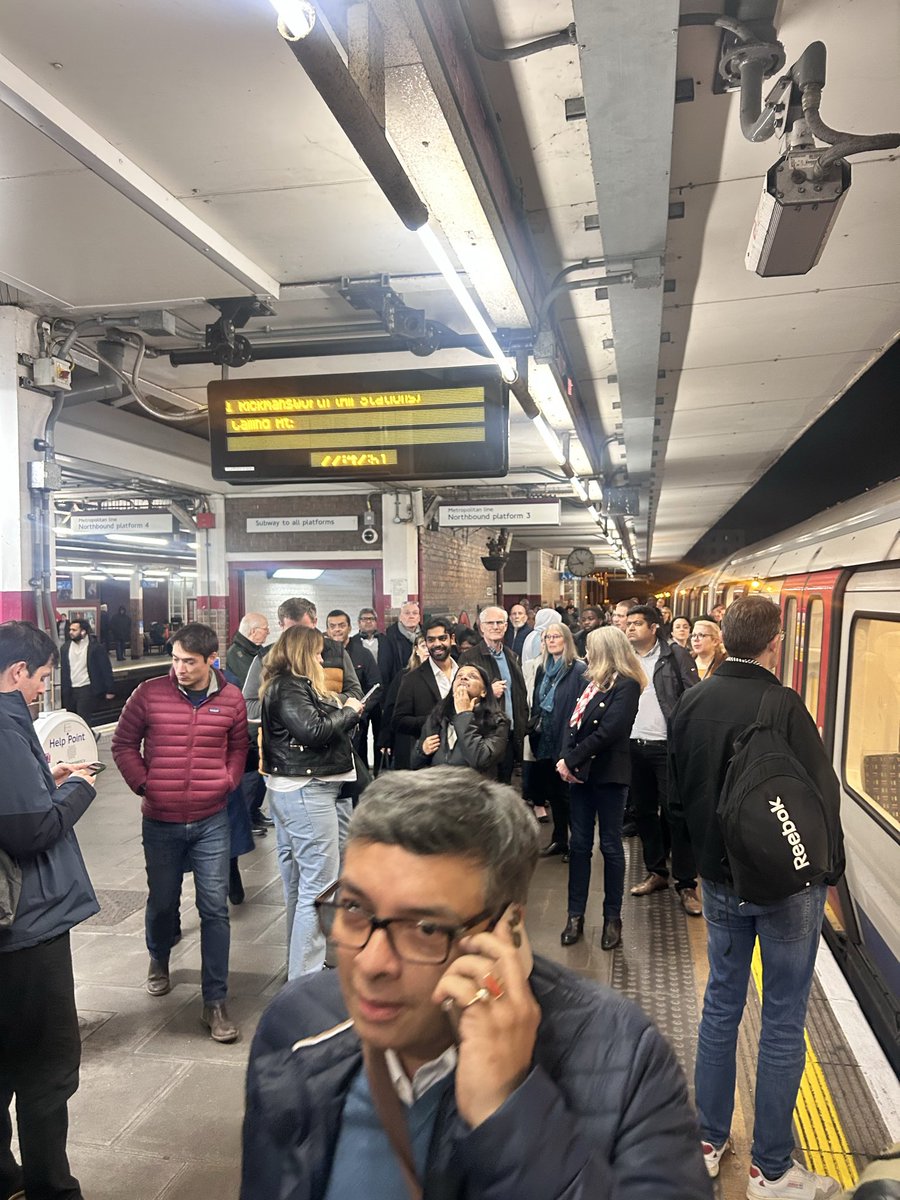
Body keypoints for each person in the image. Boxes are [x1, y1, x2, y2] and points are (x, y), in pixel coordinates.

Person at [240, 768, 714, 1200]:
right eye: (355, 909)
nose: (371, 964)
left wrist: (511, 1116)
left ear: (506, 931)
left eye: (426, 929)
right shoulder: (297, 1027)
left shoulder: (624, 1060)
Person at [668, 596, 845, 1199]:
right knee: (782, 1017)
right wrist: (828, 873)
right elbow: (821, 799)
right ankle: (772, 1168)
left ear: (724, 640)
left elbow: (678, 793)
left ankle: (709, 1140)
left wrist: (696, 868)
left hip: (720, 883)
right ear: (775, 643)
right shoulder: (784, 705)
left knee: (720, 1004)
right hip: (784, 887)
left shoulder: (693, 699)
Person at [0, 621, 101, 1200]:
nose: (41, 690)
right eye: (39, 678)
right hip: (25, 929)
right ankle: (50, 1189)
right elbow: (31, 829)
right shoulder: (4, 730)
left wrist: (47, 777)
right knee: (46, 1068)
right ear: (17, 674)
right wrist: (80, 787)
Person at [112, 622, 249, 1043]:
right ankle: (159, 956)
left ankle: (215, 1002)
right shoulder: (149, 694)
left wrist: (227, 781)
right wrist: (144, 783)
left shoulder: (231, 699)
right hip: (161, 819)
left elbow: (239, 746)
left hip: (211, 819)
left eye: (188, 661)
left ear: (211, 660)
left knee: (214, 909)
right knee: (163, 900)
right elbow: (122, 744)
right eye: (175, 659)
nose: (179, 668)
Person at [259, 625, 364, 978]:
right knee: (318, 891)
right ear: (304, 654)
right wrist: (349, 710)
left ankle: (300, 968)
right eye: (318, 653)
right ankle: (304, 981)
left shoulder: (291, 685)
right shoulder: (288, 686)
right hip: (307, 791)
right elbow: (314, 731)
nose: (322, 659)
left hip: (303, 790)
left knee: (302, 886)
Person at [556, 628, 644, 950]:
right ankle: (574, 915)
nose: (586, 654)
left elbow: (610, 731)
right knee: (578, 845)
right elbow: (572, 722)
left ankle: (612, 918)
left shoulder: (627, 685)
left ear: (606, 650)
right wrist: (567, 759)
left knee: (610, 845)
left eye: (591, 649)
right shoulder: (589, 682)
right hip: (580, 775)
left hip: (608, 775)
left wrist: (572, 760)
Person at [624, 605, 702, 916]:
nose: (630, 628)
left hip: (665, 746)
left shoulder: (674, 656)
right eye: (628, 623)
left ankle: (686, 884)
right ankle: (656, 871)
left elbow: (693, 696)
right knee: (643, 811)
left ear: (654, 627)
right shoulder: (625, 658)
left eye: (638, 623)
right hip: (633, 744)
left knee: (675, 813)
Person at [529, 622, 586, 859]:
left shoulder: (578, 669)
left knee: (568, 794)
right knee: (553, 792)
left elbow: (582, 707)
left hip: (566, 737)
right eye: (547, 637)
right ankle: (559, 840)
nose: (551, 641)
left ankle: (577, 844)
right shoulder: (543, 668)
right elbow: (537, 699)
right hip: (544, 738)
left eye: (556, 637)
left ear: (567, 640)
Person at [460, 607, 528, 786]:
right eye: (490, 623)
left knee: (504, 787)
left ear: (506, 626)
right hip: (484, 735)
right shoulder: (469, 658)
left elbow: (520, 695)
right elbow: (460, 697)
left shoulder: (511, 656)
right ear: (481, 627)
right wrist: (488, 692)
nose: (495, 626)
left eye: (500, 623)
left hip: (509, 735)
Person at [413, 664, 509, 778]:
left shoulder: (498, 722)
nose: (463, 678)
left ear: (484, 691)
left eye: (472, 676)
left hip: (473, 791)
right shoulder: (437, 716)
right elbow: (414, 765)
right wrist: (421, 751)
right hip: (438, 789)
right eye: (459, 676)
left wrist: (464, 715)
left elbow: (480, 760)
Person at [390, 618, 457, 771]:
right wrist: (433, 722)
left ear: (452, 639)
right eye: (431, 640)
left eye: (442, 638)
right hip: (429, 760)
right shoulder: (412, 679)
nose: (437, 644)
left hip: (463, 758)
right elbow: (398, 721)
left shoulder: (465, 672)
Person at [377, 635, 429, 768]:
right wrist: (386, 739)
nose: (428, 650)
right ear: (416, 650)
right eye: (424, 646)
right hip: (406, 735)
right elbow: (390, 708)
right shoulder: (403, 676)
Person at [59, 617, 116, 725]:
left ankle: (90, 737)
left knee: (83, 718)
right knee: (72, 719)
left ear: (83, 632)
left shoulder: (95, 647)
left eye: (74, 630)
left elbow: (105, 668)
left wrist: (110, 689)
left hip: (86, 687)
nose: (70, 632)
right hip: (70, 689)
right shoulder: (65, 648)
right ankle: (91, 735)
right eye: (70, 630)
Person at [349, 609, 386, 770]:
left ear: (376, 621)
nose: (368, 621)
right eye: (364, 619)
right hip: (359, 699)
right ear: (358, 623)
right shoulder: (352, 642)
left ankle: (379, 771)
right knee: (361, 738)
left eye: (371, 619)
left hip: (380, 697)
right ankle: (363, 771)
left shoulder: (385, 641)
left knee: (380, 736)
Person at [378, 601, 421, 694]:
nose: (411, 616)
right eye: (407, 613)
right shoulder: (388, 637)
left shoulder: (426, 636)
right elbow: (384, 670)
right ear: (400, 617)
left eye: (415, 613)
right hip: (399, 689)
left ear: (419, 618)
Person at [226, 612, 270, 685]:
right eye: (265, 629)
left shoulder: (256, 648)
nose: (268, 632)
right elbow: (253, 680)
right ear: (253, 631)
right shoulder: (235, 653)